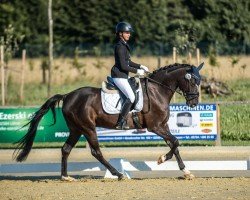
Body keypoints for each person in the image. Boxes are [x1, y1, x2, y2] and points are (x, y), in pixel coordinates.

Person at [111, 21, 149, 130]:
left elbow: (129, 62)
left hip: (123, 75)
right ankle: (120, 122)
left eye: (129, 33)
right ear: (120, 34)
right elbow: (123, 66)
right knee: (131, 97)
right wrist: (137, 72)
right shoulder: (119, 46)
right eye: (127, 32)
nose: (129, 34)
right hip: (118, 76)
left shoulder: (124, 45)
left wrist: (140, 66)